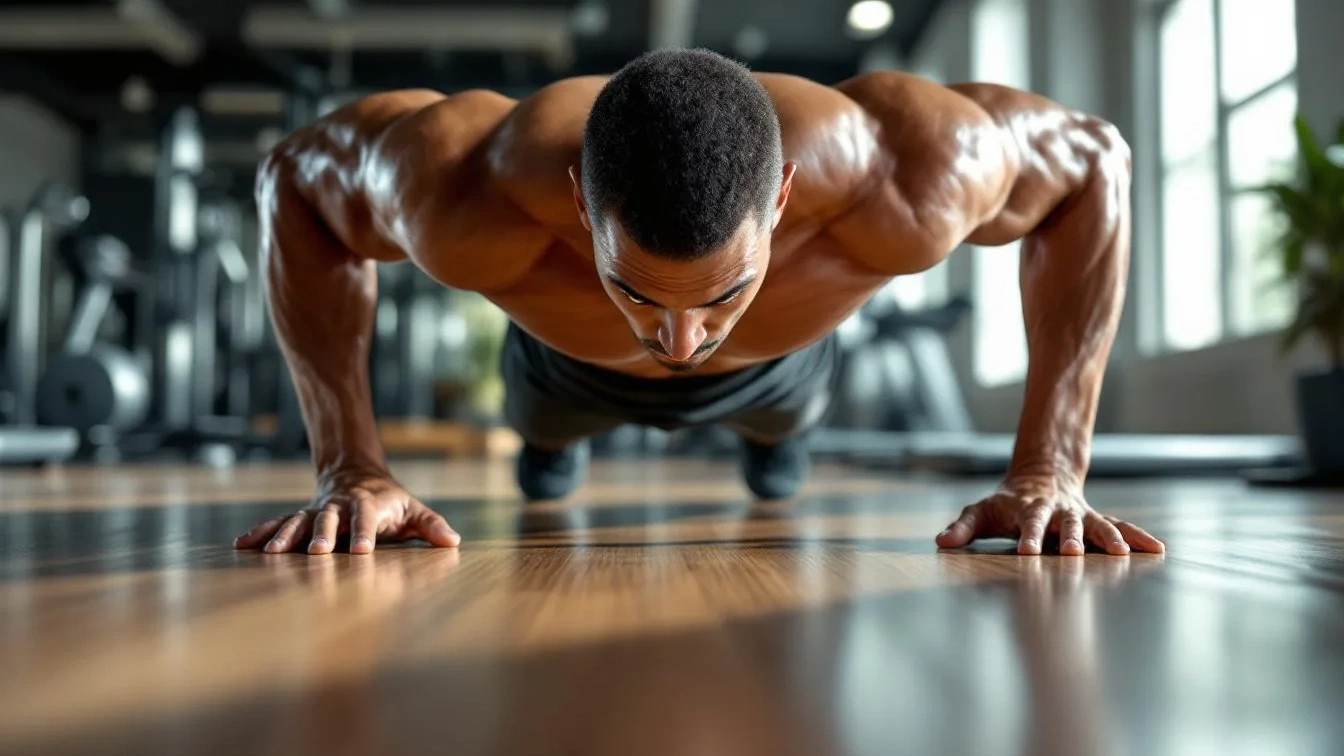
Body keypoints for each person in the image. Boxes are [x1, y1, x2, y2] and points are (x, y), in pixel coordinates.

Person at [234, 49, 1165, 558]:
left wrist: (1050, 468)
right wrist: (349, 468)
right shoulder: (460, 180)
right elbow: (293, 185)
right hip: (561, 371)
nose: (678, 340)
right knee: (544, 450)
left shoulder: (906, 169)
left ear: (785, 200)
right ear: (578, 200)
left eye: (720, 296)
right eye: (636, 290)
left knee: (780, 455)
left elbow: (1095, 163)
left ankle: (774, 443)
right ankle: (550, 451)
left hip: (784, 371)